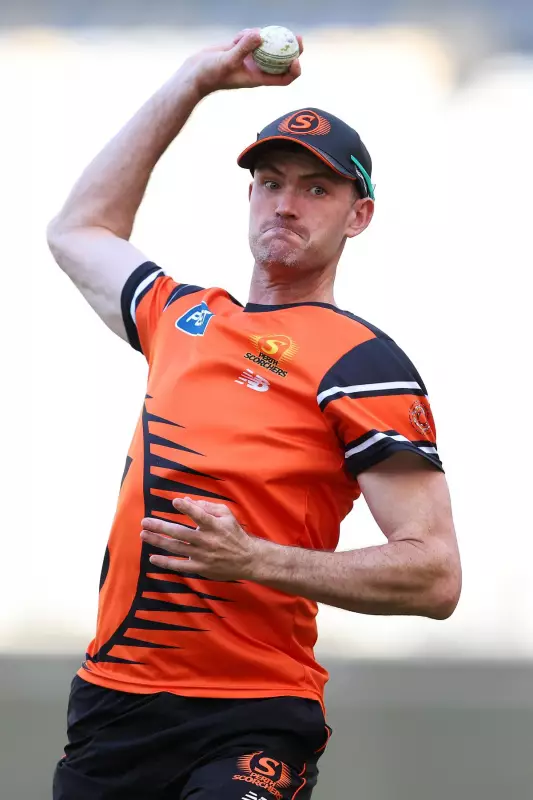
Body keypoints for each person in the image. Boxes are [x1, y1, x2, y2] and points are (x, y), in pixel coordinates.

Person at [48, 27, 462, 800]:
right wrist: (192, 82)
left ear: (358, 216)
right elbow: (79, 229)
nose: (286, 203)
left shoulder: (362, 362)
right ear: (249, 198)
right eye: (270, 182)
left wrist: (256, 560)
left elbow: (434, 574)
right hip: (114, 704)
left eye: (316, 189)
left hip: (250, 713)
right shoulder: (182, 316)